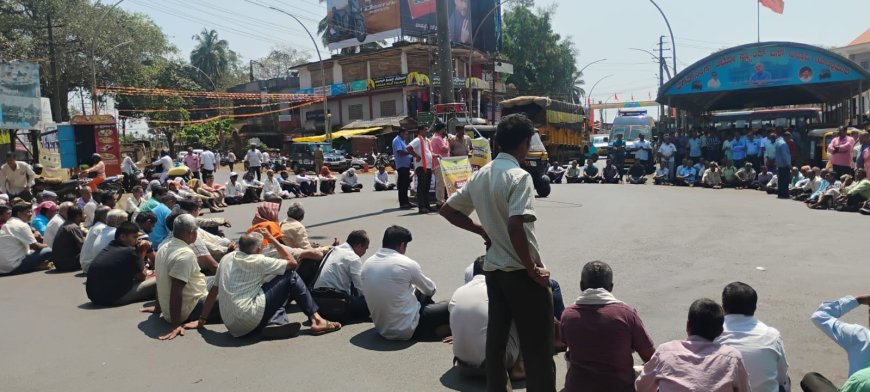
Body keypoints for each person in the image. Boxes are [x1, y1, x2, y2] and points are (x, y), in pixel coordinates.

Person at [439, 113, 556, 391]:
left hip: (494, 271)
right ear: (525, 143)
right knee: (538, 347)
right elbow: (516, 226)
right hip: (519, 272)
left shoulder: (481, 175)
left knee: (496, 341)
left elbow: (448, 210)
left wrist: (483, 231)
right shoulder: (519, 176)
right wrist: (532, 269)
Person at [198, 230, 341, 339]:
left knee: (272, 285)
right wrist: (273, 239)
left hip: (232, 326)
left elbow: (214, 290)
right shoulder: (260, 261)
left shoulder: (226, 259)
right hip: (249, 317)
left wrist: (202, 319)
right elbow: (292, 264)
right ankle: (317, 320)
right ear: (260, 249)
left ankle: (275, 321)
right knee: (290, 277)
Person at [560, 261, 655, 391]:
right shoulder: (626, 314)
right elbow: (650, 358)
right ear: (610, 287)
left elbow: (564, 342)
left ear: (581, 285)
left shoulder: (568, 316)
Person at [636, 298, 751, 392]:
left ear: (687, 326)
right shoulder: (732, 358)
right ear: (720, 331)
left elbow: (641, 388)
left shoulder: (665, 352)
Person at [361, 225, 450, 341]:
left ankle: (432, 327)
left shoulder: (367, 264)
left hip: (382, 329)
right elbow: (430, 290)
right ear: (402, 245)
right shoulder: (407, 264)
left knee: (413, 290)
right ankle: (441, 328)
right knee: (452, 304)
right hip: (407, 329)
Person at [449, 256, 526, 381]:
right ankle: (520, 366)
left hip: (462, 366)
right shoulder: (496, 291)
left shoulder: (458, 291)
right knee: (519, 314)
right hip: (495, 366)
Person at [714, 282, 790, 392]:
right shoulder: (772, 335)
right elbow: (782, 376)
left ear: (723, 307)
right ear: (755, 308)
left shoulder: (712, 334)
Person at [155, 214, 220, 340]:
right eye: (197, 231)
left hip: (195, 288)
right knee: (233, 299)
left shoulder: (163, 247)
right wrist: (176, 324)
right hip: (190, 308)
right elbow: (176, 289)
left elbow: (160, 279)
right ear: (191, 233)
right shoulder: (185, 255)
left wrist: (159, 307)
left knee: (221, 279)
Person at [802, 294, 870, 391]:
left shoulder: (860, 336)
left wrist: (858, 300)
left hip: (856, 387)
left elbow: (819, 315)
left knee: (810, 378)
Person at [86, 222, 156, 306]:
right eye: (134, 237)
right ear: (122, 237)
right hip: (113, 298)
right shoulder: (129, 251)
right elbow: (142, 276)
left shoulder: (111, 246)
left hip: (95, 297)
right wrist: (143, 250)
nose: (137, 240)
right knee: (158, 280)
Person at [313, 230, 371, 320]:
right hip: (336, 304)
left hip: (317, 303)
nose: (365, 252)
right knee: (373, 303)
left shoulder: (334, 250)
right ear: (359, 246)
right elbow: (362, 288)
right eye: (365, 248)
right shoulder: (353, 258)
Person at [0, 202, 52, 274]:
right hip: (13, 266)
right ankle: (32, 267)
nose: (31, 214)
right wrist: (50, 244)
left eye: (31, 211)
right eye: (28, 212)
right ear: (19, 214)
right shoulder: (22, 225)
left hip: (2, 268)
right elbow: (36, 246)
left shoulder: (7, 224)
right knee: (49, 250)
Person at [408, 125, 437, 213]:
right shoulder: (417, 140)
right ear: (420, 131)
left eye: (427, 130)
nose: (427, 131)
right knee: (422, 187)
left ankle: (427, 206)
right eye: (425, 130)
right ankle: (421, 207)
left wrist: (436, 155)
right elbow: (409, 148)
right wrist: (416, 156)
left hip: (428, 167)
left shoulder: (427, 140)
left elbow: (429, 152)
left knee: (427, 187)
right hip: (421, 167)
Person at [49, 205, 86, 272]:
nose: (85, 215)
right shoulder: (73, 227)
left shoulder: (66, 224)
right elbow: (83, 248)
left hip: (59, 264)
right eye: (83, 214)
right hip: (69, 264)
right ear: (78, 216)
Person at [79, 206, 112, 273]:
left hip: (86, 264)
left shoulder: (95, 226)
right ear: (103, 217)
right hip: (90, 265)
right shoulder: (102, 228)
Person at [393, 128, 415, 209]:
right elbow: (400, 152)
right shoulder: (397, 140)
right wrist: (410, 152)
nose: (406, 136)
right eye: (405, 134)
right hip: (401, 166)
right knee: (402, 185)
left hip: (406, 165)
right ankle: (402, 203)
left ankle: (406, 201)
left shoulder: (402, 141)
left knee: (406, 185)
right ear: (401, 133)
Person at [430, 123, 450, 207]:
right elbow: (445, 149)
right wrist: (448, 142)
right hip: (439, 163)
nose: (445, 131)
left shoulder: (438, 137)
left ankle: (441, 200)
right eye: (444, 129)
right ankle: (440, 202)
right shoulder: (437, 138)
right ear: (441, 129)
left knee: (442, 183)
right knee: (440, 183)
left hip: (441, 163)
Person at [774, 132, 793, 199]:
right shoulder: (784, 144)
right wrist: (789, 165)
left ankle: (780, 194)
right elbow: (785, 156)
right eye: (790, 138)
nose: (790, 139)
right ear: (787, 137)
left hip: (780, 165)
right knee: (785, 181)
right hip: (785, 165)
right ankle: (785, 195)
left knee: (781, 181)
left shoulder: (778, 142)